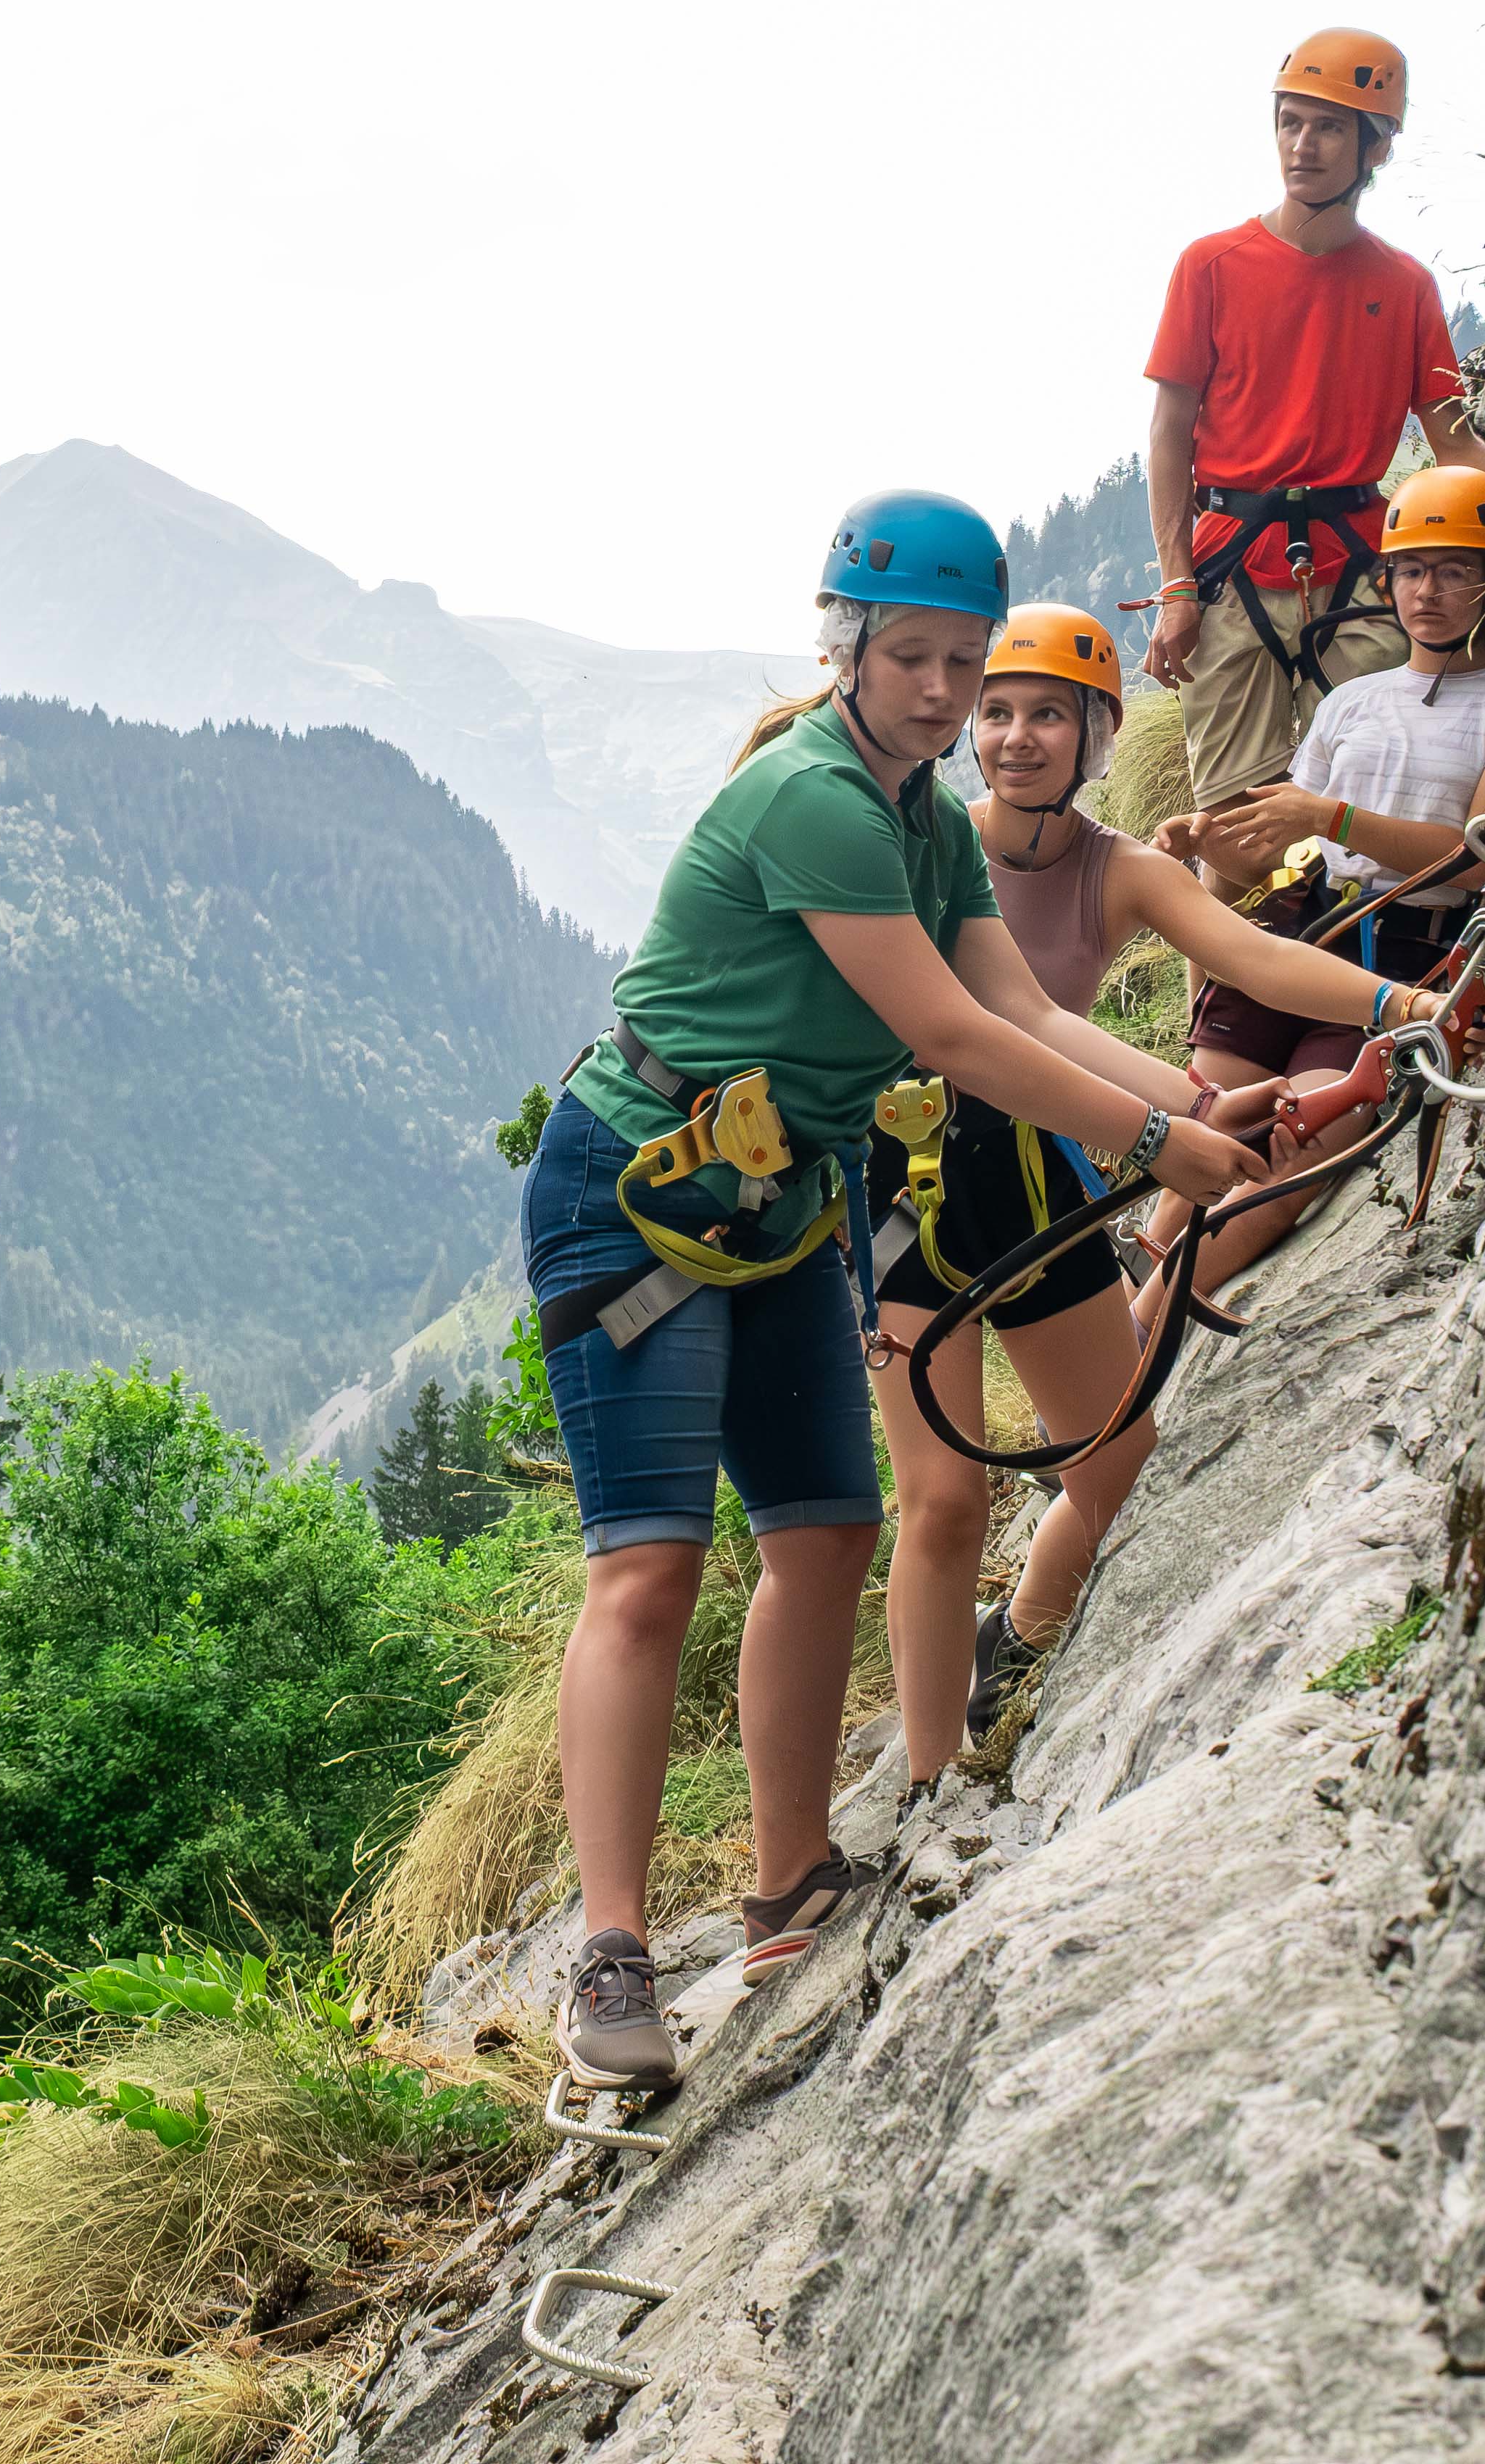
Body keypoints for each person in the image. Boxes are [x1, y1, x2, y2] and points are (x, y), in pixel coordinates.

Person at [525, 497, 1269, 2099]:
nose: (944, 692)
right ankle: (611, 1951)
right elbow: (946, 1034)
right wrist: (1160, 1141)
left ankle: (791, 1878)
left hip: (778, 1201)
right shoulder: (816, 802)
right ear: (847, 651)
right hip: (634, 1191)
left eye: (964, 661)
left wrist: (1201, 1117)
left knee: (830, 1530)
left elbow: (1020, 1003)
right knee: (648, 1572)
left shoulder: (926, 824)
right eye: (916, 659)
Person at [861, 604, 1459, 1778]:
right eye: (998, 714)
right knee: (938, 1500)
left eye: (1050, 715)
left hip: (1041, 1169)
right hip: (907, 1168)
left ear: (1098, 734)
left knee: (1113, 1461)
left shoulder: (1119, 870)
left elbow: (1260, 961)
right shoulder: (921, 845)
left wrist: (1397, 1009)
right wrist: (1170, 1121)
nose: (1019, 738)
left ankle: (1013, 1653)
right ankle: (926, 1777)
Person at [1139, 465, 1485, 1313]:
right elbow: (1280, 848)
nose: (1427, 591)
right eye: (1411, 570)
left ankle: (1141, 1319)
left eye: (1453, 569)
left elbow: (1477, 857)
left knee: (1290, 1155)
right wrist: (1203, 845)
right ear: (1386, 579)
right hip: (1311, 929)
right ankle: (1123, 1316)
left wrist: (1333, 818)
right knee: (1204, 1123)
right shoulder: (1351, 702)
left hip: (1406, 950)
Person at [1139, 28, 1485, 876]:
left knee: (1384, 804)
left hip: (1361, 569)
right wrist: (1176, 586)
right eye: (1291, 122)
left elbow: (1454, 440)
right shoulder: (1211, 265)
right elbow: (1169, 433)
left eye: (1329, 128)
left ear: (1376, 146)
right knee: (1233, 834)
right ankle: (1217, 1012)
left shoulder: (1404, 286)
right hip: (1231, 567)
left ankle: (1364, 989)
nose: (1303, 145)